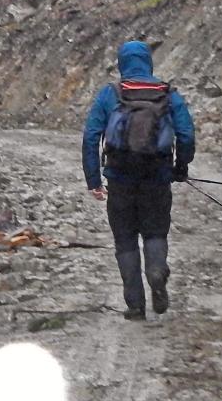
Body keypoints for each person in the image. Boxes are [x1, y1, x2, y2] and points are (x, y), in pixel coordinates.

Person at [82, 40, 196, 321]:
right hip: (157, 178)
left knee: (125, 241)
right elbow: (186, 135)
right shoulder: (167, 94)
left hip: (119, 179)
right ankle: (156, 270)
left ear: (122, 63)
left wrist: (93, 179)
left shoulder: (111, 94)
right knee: (155, 233)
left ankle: (135, 305)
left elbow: (90, 137)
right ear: (148, 62)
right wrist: (180, 167)